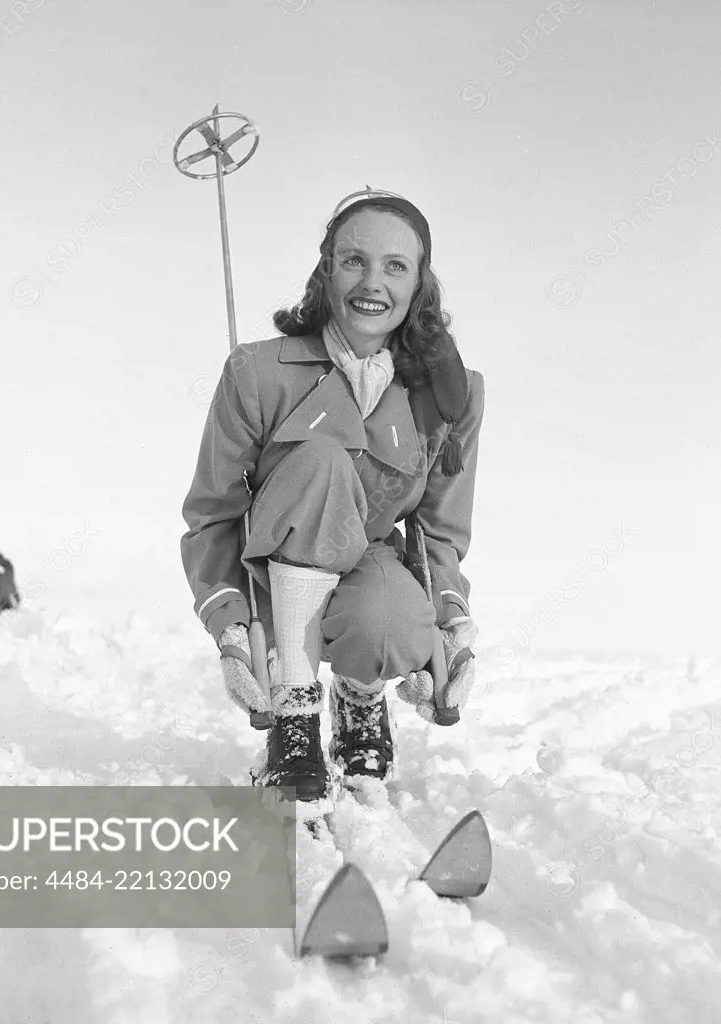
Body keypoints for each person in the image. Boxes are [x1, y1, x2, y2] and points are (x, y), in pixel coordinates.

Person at [181, 188, 485, 801]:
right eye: (354, 260)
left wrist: (449, 621)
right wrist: (231, 629)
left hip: (367, 559)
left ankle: (360, 701)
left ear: (420, 283)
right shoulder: (258, 372)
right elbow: (213, 513)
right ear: (327, 270)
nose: (372, 282)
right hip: (276, 568)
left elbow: (439, 529)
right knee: (319, 458)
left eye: (396, 266)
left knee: (394, 622)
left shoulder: (453, 393)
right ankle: (292, 728)